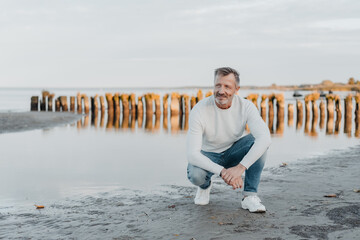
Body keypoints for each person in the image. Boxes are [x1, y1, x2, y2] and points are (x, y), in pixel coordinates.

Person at [186, 67, 271, 212]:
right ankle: (205, 187)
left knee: (260, 141)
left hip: (233, 152)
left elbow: (265, 138)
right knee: (196, 176)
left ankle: (249, 196)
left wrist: (240, 168)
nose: (221, 91)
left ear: (237, 89)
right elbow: (192, 154)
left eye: (227, 86)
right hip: (209, 155)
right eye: (218, 85)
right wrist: (223, 172)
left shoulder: (246, 106)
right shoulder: (199, 110)